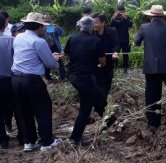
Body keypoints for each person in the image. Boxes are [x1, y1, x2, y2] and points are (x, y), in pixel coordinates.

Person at [11, 12, 62, 152]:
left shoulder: (18, 37)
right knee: (43, 109)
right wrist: (55, 59)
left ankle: (29, 141)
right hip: (31, 80)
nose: (44, 29)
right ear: (39, 27)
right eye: (43, 27)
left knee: (23, 110)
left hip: (16, 79)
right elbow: (50, 63)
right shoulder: (39, 41)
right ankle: (46, 141)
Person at [64, 16, 109, 146]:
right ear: (91, 27)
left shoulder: (72, 37)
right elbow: (103, 62)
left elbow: (66, 54)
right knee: (86, 108)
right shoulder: (96, 40)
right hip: (86, 77)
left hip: (73, 76)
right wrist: (95, 62)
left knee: (99, 98)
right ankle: (75, 138)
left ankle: (111, 122)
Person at [92, 13, 119, 99]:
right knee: (97, 83)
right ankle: (98, 101)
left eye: (96, 22)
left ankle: (104, 100)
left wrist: (115, 52)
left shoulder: (112, 31)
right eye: (92, 22)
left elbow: (116, 44)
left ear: (103, 23)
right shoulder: (91, 33)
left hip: (109, 62)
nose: (94, 25)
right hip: (95, 62)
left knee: (107, 82)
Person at [0, 14, 14, 148]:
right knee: (12, 106)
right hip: (9, 80)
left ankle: (3, 140)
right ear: (5, 25)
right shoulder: (11, 40)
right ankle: (24, 137)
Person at [42, 13, 67, 81]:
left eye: (48, 18)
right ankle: (48, 78)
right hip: (45, 47)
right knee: (46, 62)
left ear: (50, 19)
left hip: (53, 46)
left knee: (59, 61)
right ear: (43, 19)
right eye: (45, 18)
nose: (47, 19)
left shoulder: (51, 26)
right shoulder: (40, 27)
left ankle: (63, 76)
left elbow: (61, 34)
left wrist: (58, 28)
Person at [110, 5, 133, 74]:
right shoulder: (114, 17)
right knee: (115, 54)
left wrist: (124, 17)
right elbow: (110, 25)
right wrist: (114, 17)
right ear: (117, 11)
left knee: (125, 55)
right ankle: (115, 68)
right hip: (116, 39)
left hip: (125, 39)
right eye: (119, 11)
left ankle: (125, 70)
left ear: (124, 11)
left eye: (122, 11)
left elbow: (130, 25)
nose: (120, 13)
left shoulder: (127, 17)